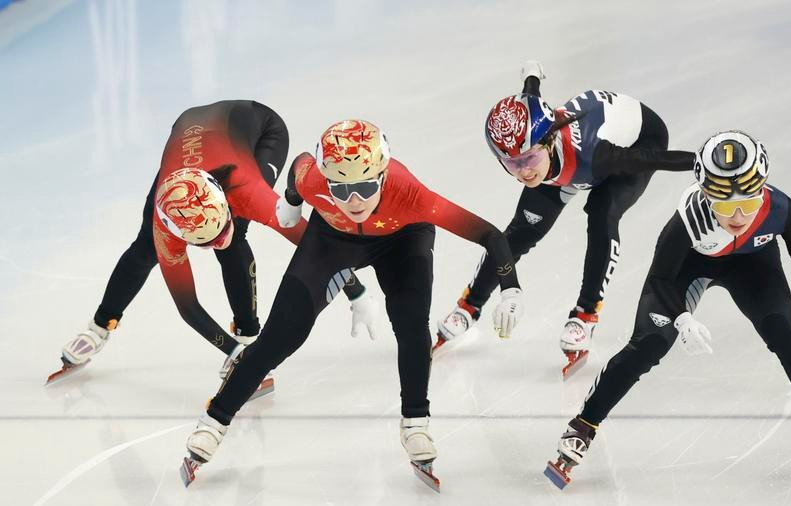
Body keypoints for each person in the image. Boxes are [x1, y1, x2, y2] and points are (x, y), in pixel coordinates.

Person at [180, 119, 525, 490]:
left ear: (382, 175)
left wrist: (511, 288)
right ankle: (214, 423)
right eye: (341, 189)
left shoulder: (411, 193)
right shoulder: (314, 179)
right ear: (327, 180)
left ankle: (415, 424)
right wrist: (293, 203)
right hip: (333, 239)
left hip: (403, 238)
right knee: (280, 336)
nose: (354, 200)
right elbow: (298, 167)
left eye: (364, 186)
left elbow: (489, 235)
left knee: (410, 325)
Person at [544, 130, 791, 488]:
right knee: (649, 345)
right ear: (708, 197)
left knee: (785, 335)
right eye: (726, 206)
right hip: (687, 269)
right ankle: (584, 425)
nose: (739, 215)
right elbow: (662, 279)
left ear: (762, 190)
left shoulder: (780, 209)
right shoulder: (688, 219)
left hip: (752, 265)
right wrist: (681, 319)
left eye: (748, 201)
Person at [51, 101, 374, 385]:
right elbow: (188, 306)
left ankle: (248, 332)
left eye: (218, 230)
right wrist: (232, 353)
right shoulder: (166, 224)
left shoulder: (249, 193)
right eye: (203, 242)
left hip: (260, 128)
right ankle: (98, 328)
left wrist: (355, 291)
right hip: (189, 138)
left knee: (235, 242)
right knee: (144, 248)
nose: (214, 243)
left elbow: (317, 244)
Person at [435, 61, 696, 376]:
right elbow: (529, 94)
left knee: (602, 215)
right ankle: (469, 305)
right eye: (511, 164)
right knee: (520, 232)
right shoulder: (532, 141)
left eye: (529, 159)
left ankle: (585, 317)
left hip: (639, 142)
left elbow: (651, 159)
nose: (524, 172)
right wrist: (532, 75)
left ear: (547, 140)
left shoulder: (596, 157)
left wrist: (702, 164)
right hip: (571, 156)